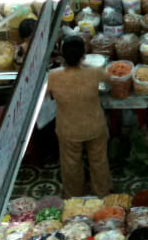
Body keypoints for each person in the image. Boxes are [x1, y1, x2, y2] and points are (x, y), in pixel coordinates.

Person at [46, 36, 112, 197]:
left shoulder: (53, 76)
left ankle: (74, 195)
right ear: (83, 55)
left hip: (68, 129)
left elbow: (46, 95)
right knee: (98, 160)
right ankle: (102, 192)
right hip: (94, 126)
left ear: (62, 56)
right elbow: (109, 80)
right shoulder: (94, 72)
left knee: (71, 163)